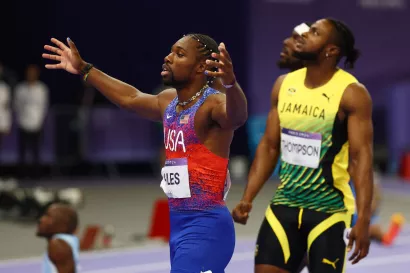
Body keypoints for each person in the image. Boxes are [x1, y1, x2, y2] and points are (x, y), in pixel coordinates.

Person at [42, 33, 247, 273]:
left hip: (206, 227)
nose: (168, 58)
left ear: (201, 66)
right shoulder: (168, 101)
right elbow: (130, 98)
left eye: (179, 54)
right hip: (178, 223)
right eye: (171, 51)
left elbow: (237, 116)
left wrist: (231, 83)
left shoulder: (213, 104)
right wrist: (85, 69)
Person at [232, 18, 374, 273]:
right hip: (284, 205)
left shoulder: (351, 93)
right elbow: (270, 146)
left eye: (314, 32)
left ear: (331, 50)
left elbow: (360, 158)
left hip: (328, 211)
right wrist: (248, 197)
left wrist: (362, 220)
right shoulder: (284, 85)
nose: (304, 35)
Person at [14, 64, 49, 180]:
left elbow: (44, 107)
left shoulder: (42, 89)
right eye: (29, 72)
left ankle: (36, 176)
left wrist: (40, 122)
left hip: (37, 124)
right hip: (23, 123)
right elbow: (17, 106)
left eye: (33, 72)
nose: (31, 75)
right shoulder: (20, 89)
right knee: (22, 152)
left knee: (36, 152)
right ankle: (22, 176)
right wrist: (20, 120)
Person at [36, 203, 79, 273]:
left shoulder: (58, 245)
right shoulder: (67, 242)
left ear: (63, 225)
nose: (41, 219)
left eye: (48, 216)